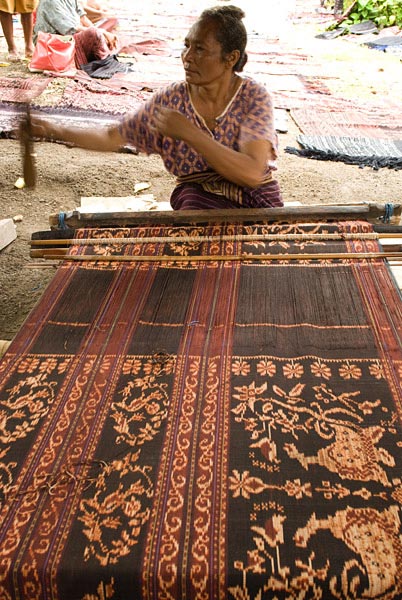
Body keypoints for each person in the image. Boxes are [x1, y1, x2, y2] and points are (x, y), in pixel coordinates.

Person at [30, 5, 283, 210]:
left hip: (256, 199)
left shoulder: (253, 97)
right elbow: (111, 138)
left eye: (200, 49)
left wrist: (191, 134)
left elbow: (251, 173)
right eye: (187, 46)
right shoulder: (172, 100)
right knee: (193, 209)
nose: (187, 57)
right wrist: (51, 129)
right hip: (200, 202)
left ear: (231, 58)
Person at [33, 0, 117, 67]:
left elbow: (83, 18)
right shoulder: (49, 2)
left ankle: (103, 50)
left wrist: (102, 32)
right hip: (56, 42)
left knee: (111, 20)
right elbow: (70, 29)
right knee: (93, 33)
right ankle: (102, 54)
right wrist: (102, 33)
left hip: (72, 34)